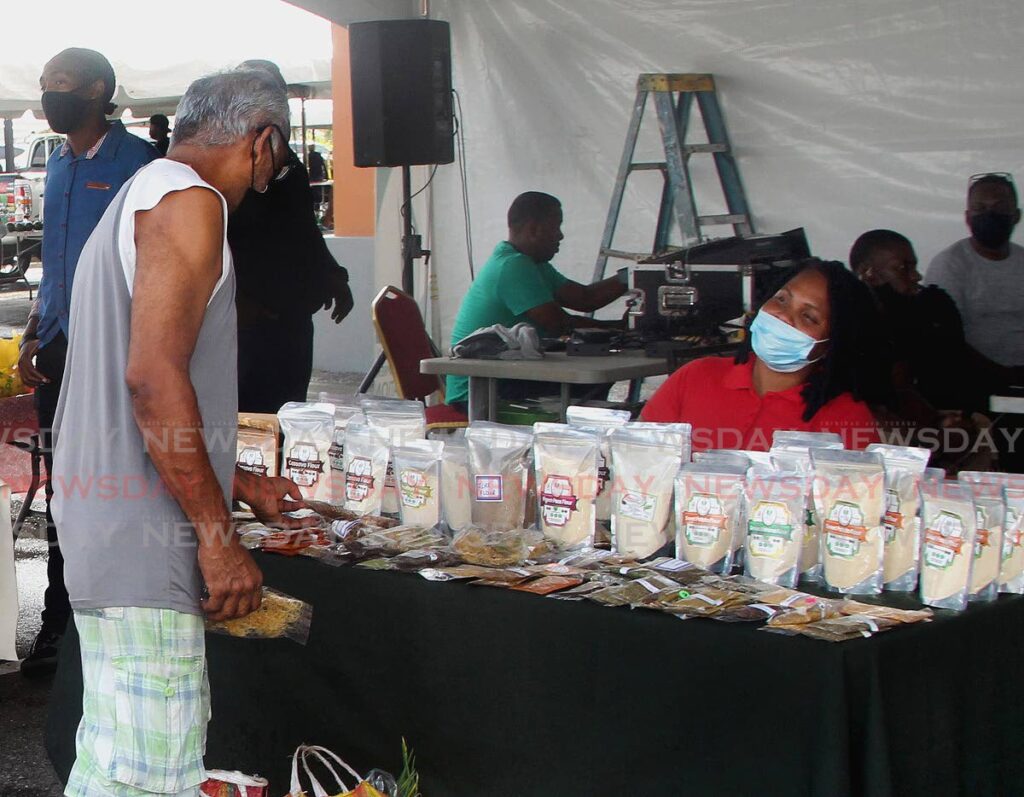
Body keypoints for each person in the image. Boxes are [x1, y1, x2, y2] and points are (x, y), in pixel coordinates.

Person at [51, 68, 313, 797]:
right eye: (279, 162)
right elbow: (152, 382)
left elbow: (137, 382)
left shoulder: (141, 194)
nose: (270, 180)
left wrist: (236, 480)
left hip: (108, 522)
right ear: (262, 142)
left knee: (116, 762)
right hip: (142, 535)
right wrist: (216, 534)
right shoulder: (189, 203)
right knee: (151, 775)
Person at [15, 47, 159, 676]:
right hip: (58, 350)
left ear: (100, 90)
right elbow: (55, 266)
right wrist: (32, 337)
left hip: (118, 351)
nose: (51, 96)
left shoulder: (141, 166)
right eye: (46, 86)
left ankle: (112, 618)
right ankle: (57, 618)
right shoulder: (60, 167)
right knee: (62, 489)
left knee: (117, 484)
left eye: (63, 85)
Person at [641, 259, 885, 451]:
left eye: (808, 316)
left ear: (831, 344)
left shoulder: (847, 417)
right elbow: (641, 459)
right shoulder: (695, 377)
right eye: (781, 299)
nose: (783, 315)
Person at [228, 59, 353, 413]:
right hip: (251, 321)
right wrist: (236, 301)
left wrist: (332, 275)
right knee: (250, 421)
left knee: (289, 413)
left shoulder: (289, 163)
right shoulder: (229, 162)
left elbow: (303, 230)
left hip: (293, 318)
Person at [446, 191, 629, 408]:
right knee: (590, 387)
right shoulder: (512, 266)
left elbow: (585, 298)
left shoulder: (534, 264)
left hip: (503, 377)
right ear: (534, 229)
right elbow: (559, 325)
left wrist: (633, 276)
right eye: (556, 227)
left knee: (594, 385)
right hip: (478, 392)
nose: (560, 235)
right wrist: (622, 329)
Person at [927, 173, 1024, 471]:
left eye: (999, 207)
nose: (989, 215)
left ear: (1016, 215)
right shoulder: (951, 265)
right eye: (981, 209)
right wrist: (1004, 375)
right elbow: (946, 340)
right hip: (973, 386)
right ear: (968, 218)